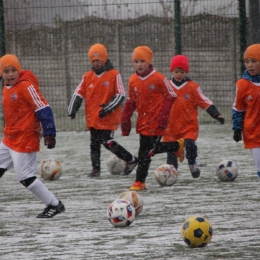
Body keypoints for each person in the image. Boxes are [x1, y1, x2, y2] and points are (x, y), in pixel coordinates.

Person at [0, 54, 65, 218]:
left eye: (13, 70)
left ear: (19, 70)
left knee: (25, 177)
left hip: (25, 138)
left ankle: (54, 204)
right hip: (10, 139)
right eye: (6, 71)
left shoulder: (26, 86)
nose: (10, 74)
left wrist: (49, 132)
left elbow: (44, 108)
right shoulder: (6, 87)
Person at [148, 55, 225, 178]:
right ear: (172, 71)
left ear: (186, 72)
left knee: (190, 146)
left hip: (188, 127)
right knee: (171, 161)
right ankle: (171, 176)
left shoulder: (192, 87)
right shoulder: (165, 86)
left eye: (182, 72)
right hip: (169, 130)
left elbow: (205, 102)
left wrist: (216, 114)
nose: (179, 74)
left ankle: (192, 164)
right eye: (176, 71)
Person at [68, 43, 137, 177]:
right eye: (94, 61)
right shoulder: (87, 76)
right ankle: (96, 169)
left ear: (105, 59)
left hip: (108, 117)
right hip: (93, 117)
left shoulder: (114, 75)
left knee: (107, 142)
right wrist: (73, 109)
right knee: (94, 143)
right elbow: (78, 93)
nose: (96, 63)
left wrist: (108, 108)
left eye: (98, 60)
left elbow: (120, 94)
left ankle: (131, 159)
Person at [121, 46, 184, 191]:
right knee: (147, 150)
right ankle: (177, 145)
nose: (139, 64)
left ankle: (139, 181)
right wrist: (125, 120)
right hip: (143, 123)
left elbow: (171, 96)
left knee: (147, 152)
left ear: (149, 62)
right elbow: (131, 101)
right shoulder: (133, 80)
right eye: (136, 61)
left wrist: (162, 116)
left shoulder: (158, 78)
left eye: (142, 61)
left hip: (157, 122)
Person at [232, 43, 260, 177]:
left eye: (254, 61)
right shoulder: (242, 85)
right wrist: (237, 128)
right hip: (253, 133)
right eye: (247, 61)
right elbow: (238, 108)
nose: (250, 65)